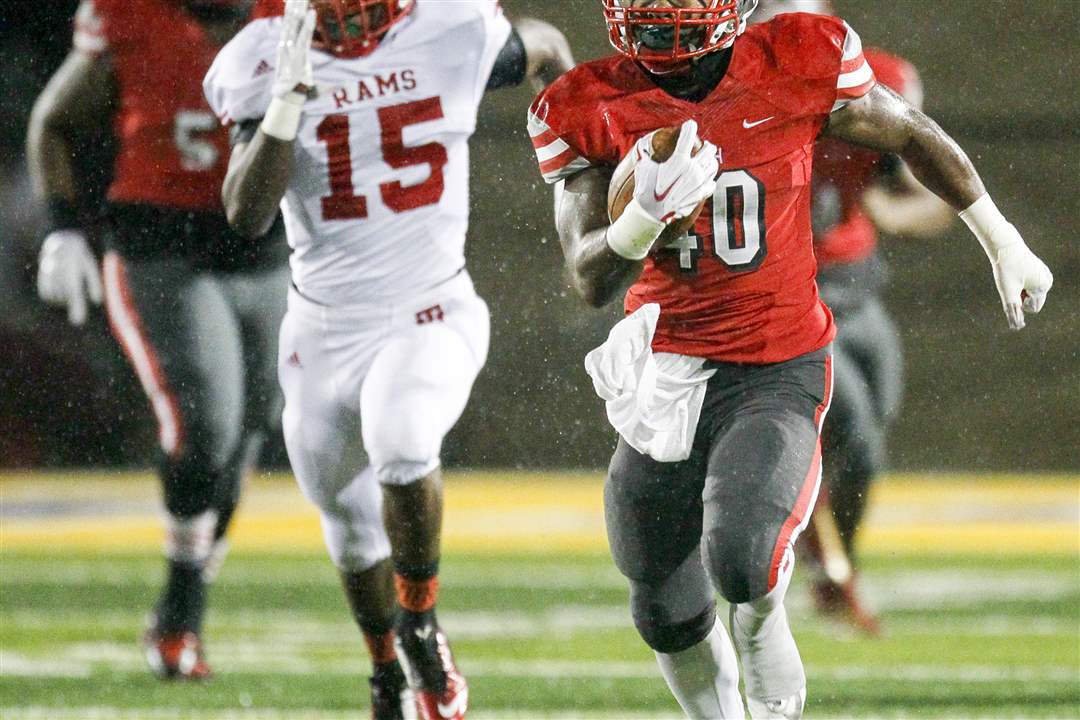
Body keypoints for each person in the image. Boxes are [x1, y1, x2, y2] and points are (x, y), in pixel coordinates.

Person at [528, 0, 1052, 717]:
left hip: (774, 361)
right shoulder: (588, 104)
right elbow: (588, 277)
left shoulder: (794, 59)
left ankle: (764, 625)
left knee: (744, 559)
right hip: (665, 371)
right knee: (661, 604)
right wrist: (641, 221)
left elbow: (910, 131)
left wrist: (1003, 239)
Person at [203, 1, 573, 717]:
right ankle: (386, 673)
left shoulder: (450, 29)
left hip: (428, 309)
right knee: (345, 522)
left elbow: (549, 46)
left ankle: (422, 624)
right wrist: (286, 103)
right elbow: (246, 214)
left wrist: (581, 180)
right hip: (320, 329)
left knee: (400, 440)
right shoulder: (268, 54)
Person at [27, 0, 289, 681]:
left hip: (265, 253)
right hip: (161, 248)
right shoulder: (129, 13)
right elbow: (54, 122)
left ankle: (187, 593)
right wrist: (61, 225)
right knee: (206, 427)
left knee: (255, 424)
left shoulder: (296, 14)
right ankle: (182, 604)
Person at [751, 0, 955, 636]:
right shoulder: (733, 97)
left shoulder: (878, 82)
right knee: (855, 431)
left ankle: (830, 562)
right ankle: (827, 571)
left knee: (875, 421)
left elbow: (930, 195)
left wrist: (895, 212)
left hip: (856, 285)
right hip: (789, 294)